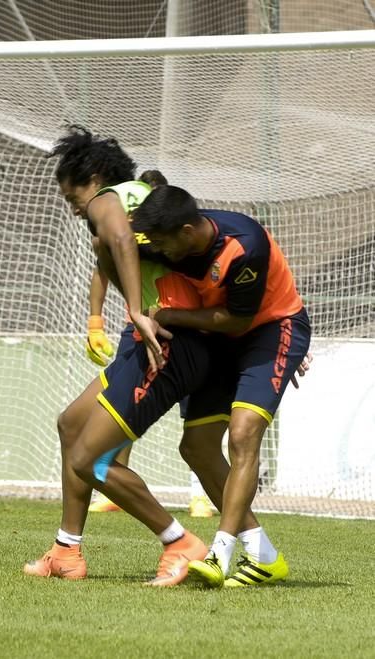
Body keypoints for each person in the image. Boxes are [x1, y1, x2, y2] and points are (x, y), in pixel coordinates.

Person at [24, 126, 211, 585]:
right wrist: (97, 319)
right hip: (166, 336)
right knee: (72, 423)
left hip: (165, 340)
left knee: (94, 459)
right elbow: (109, 250)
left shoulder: (110, 199)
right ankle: (66, 551)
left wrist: (133, 311)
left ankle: (180, 542)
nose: (74, 208)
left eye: (72, 198)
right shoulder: (144, 196)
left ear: (93, 177)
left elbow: (121, 243)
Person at [131, 184, 312, 587]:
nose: (158, 251)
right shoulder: (168, 237)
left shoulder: (243, 246)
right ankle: (264, 557)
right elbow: (113, 245)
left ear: (188, 232)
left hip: (271, 329)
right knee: (195, 447)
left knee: (243, 433)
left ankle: (220, 554)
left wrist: (170, 316)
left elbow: (237, 321)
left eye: (163, 243)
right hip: (221, 341)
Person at [86, 169, 214, 519]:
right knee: (123, 406)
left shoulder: (180, 242)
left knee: (195, 415)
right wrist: (95, 320)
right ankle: (114, 479)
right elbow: (102, 262)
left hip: (183, 329)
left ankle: (199, 494)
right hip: (139, 326)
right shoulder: (132, 234)